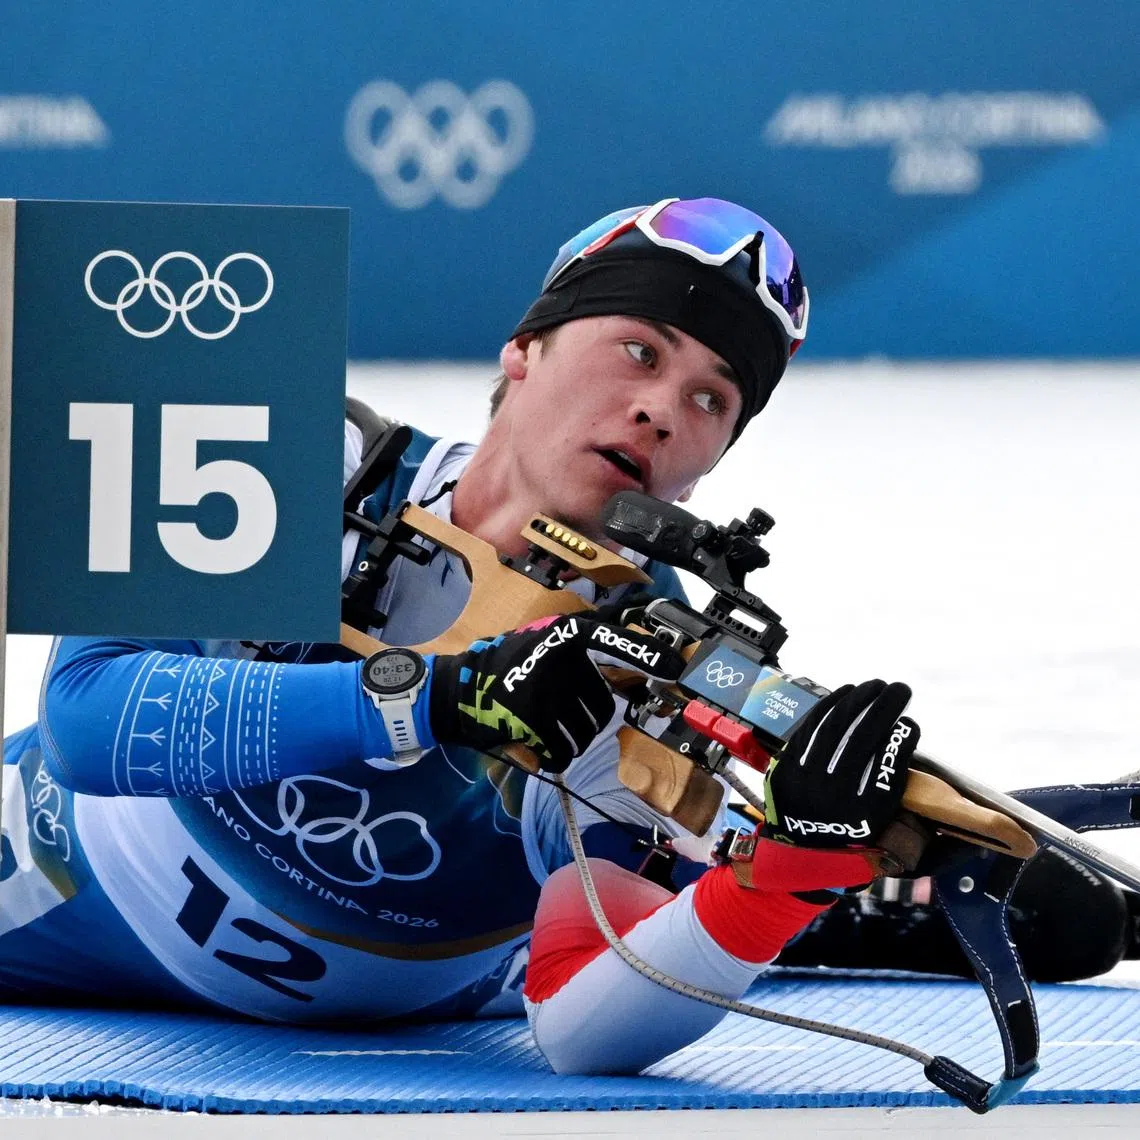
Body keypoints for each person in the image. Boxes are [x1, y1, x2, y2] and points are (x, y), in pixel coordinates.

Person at [0, 196, 1104, 1077]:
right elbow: (90, 721)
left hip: (435, 997)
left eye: (713, 399)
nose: (665, 408)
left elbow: (582, 1025)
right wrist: (434, 698)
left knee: (700, 871)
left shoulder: (649, 651)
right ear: (524, 349)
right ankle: (840, 917)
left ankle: (804, 893)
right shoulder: (291, 456)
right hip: (64, 876)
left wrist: (790, 865)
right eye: (638, 351)